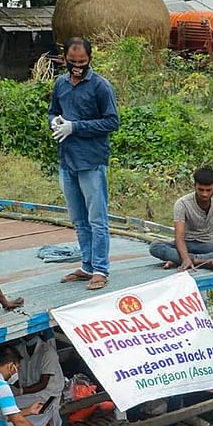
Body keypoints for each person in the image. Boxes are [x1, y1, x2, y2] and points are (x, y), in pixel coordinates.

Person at [51, 37, 121, 290]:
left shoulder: (100, 86)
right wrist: (56, 122)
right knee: (79, 219)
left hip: (91, 160)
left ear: (90, 59)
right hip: (67, 159)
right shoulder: (60, 84)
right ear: (65, 60)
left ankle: (101, 269)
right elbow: (53, 110)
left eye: (82, 62)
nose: (77, 66)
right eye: (73, 62)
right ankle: (87, 264)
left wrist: (76, 127)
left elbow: (112, 122)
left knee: (97, 219)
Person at [153, 165, 213, 271]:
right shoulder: (182, 203)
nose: (204, 194)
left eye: (208, 190)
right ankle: (200, 261)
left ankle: (185, 260)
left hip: (207, 244)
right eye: (201, 189)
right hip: (186, 243)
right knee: (155, 247)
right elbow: (179, 237)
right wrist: (185, 257)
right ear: (194, 186)